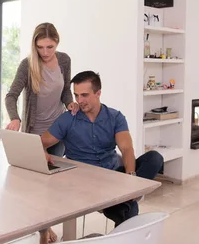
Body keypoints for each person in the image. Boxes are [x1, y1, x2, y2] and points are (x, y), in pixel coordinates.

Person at [41, 71, 164, 227]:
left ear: (98, 93)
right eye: (76, 95)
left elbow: (126, 148)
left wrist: (131, 179)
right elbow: (40, 142)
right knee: (128, 209)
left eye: (84, 95)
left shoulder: (115, 117)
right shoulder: (68, 119)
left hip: (112, 176)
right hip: (82, 181)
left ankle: (125, 196)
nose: (79, 100)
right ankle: (121, 203)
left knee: (155, 158)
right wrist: (43, 152)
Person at [5, 22, 78, 244]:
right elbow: (11, 95)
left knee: (53, 186)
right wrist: (15, 118)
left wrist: (70, 103)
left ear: (57, 43)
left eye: (50, 47)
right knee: (38, 188)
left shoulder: (64, 60)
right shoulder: (28, 65)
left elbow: (65, 89)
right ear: (34, 45)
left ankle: (47, 227)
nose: (45, 52)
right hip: (35, 135)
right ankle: (43, 232)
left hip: (58, 131)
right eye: (40, 47)